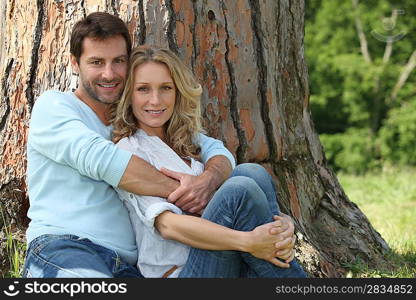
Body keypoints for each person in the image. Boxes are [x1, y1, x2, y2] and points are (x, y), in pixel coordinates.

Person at [22, 12, 237, 278]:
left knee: (249, 178)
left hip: (128, 265)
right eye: (97, 62)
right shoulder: (56, 106)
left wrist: (209, 181)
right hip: (65, 247)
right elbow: (106, 163)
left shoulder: (134, 119)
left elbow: (215, 150)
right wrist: (189, 195)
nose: (109, 73)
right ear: (75, 64)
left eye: (118, 61)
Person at [111, 45, 307, 278]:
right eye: (143, 89)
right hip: (184, 273)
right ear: (128, 95)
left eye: (166, 88)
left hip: (226, 260)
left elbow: (223, 156)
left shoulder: (184, 137)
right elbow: (167, 225)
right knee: (239, 190)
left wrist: (282, 225)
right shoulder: (129, 149)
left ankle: (280, 242)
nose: (155, 100)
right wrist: (248, 241)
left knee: (252, 173)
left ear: (178, 92)